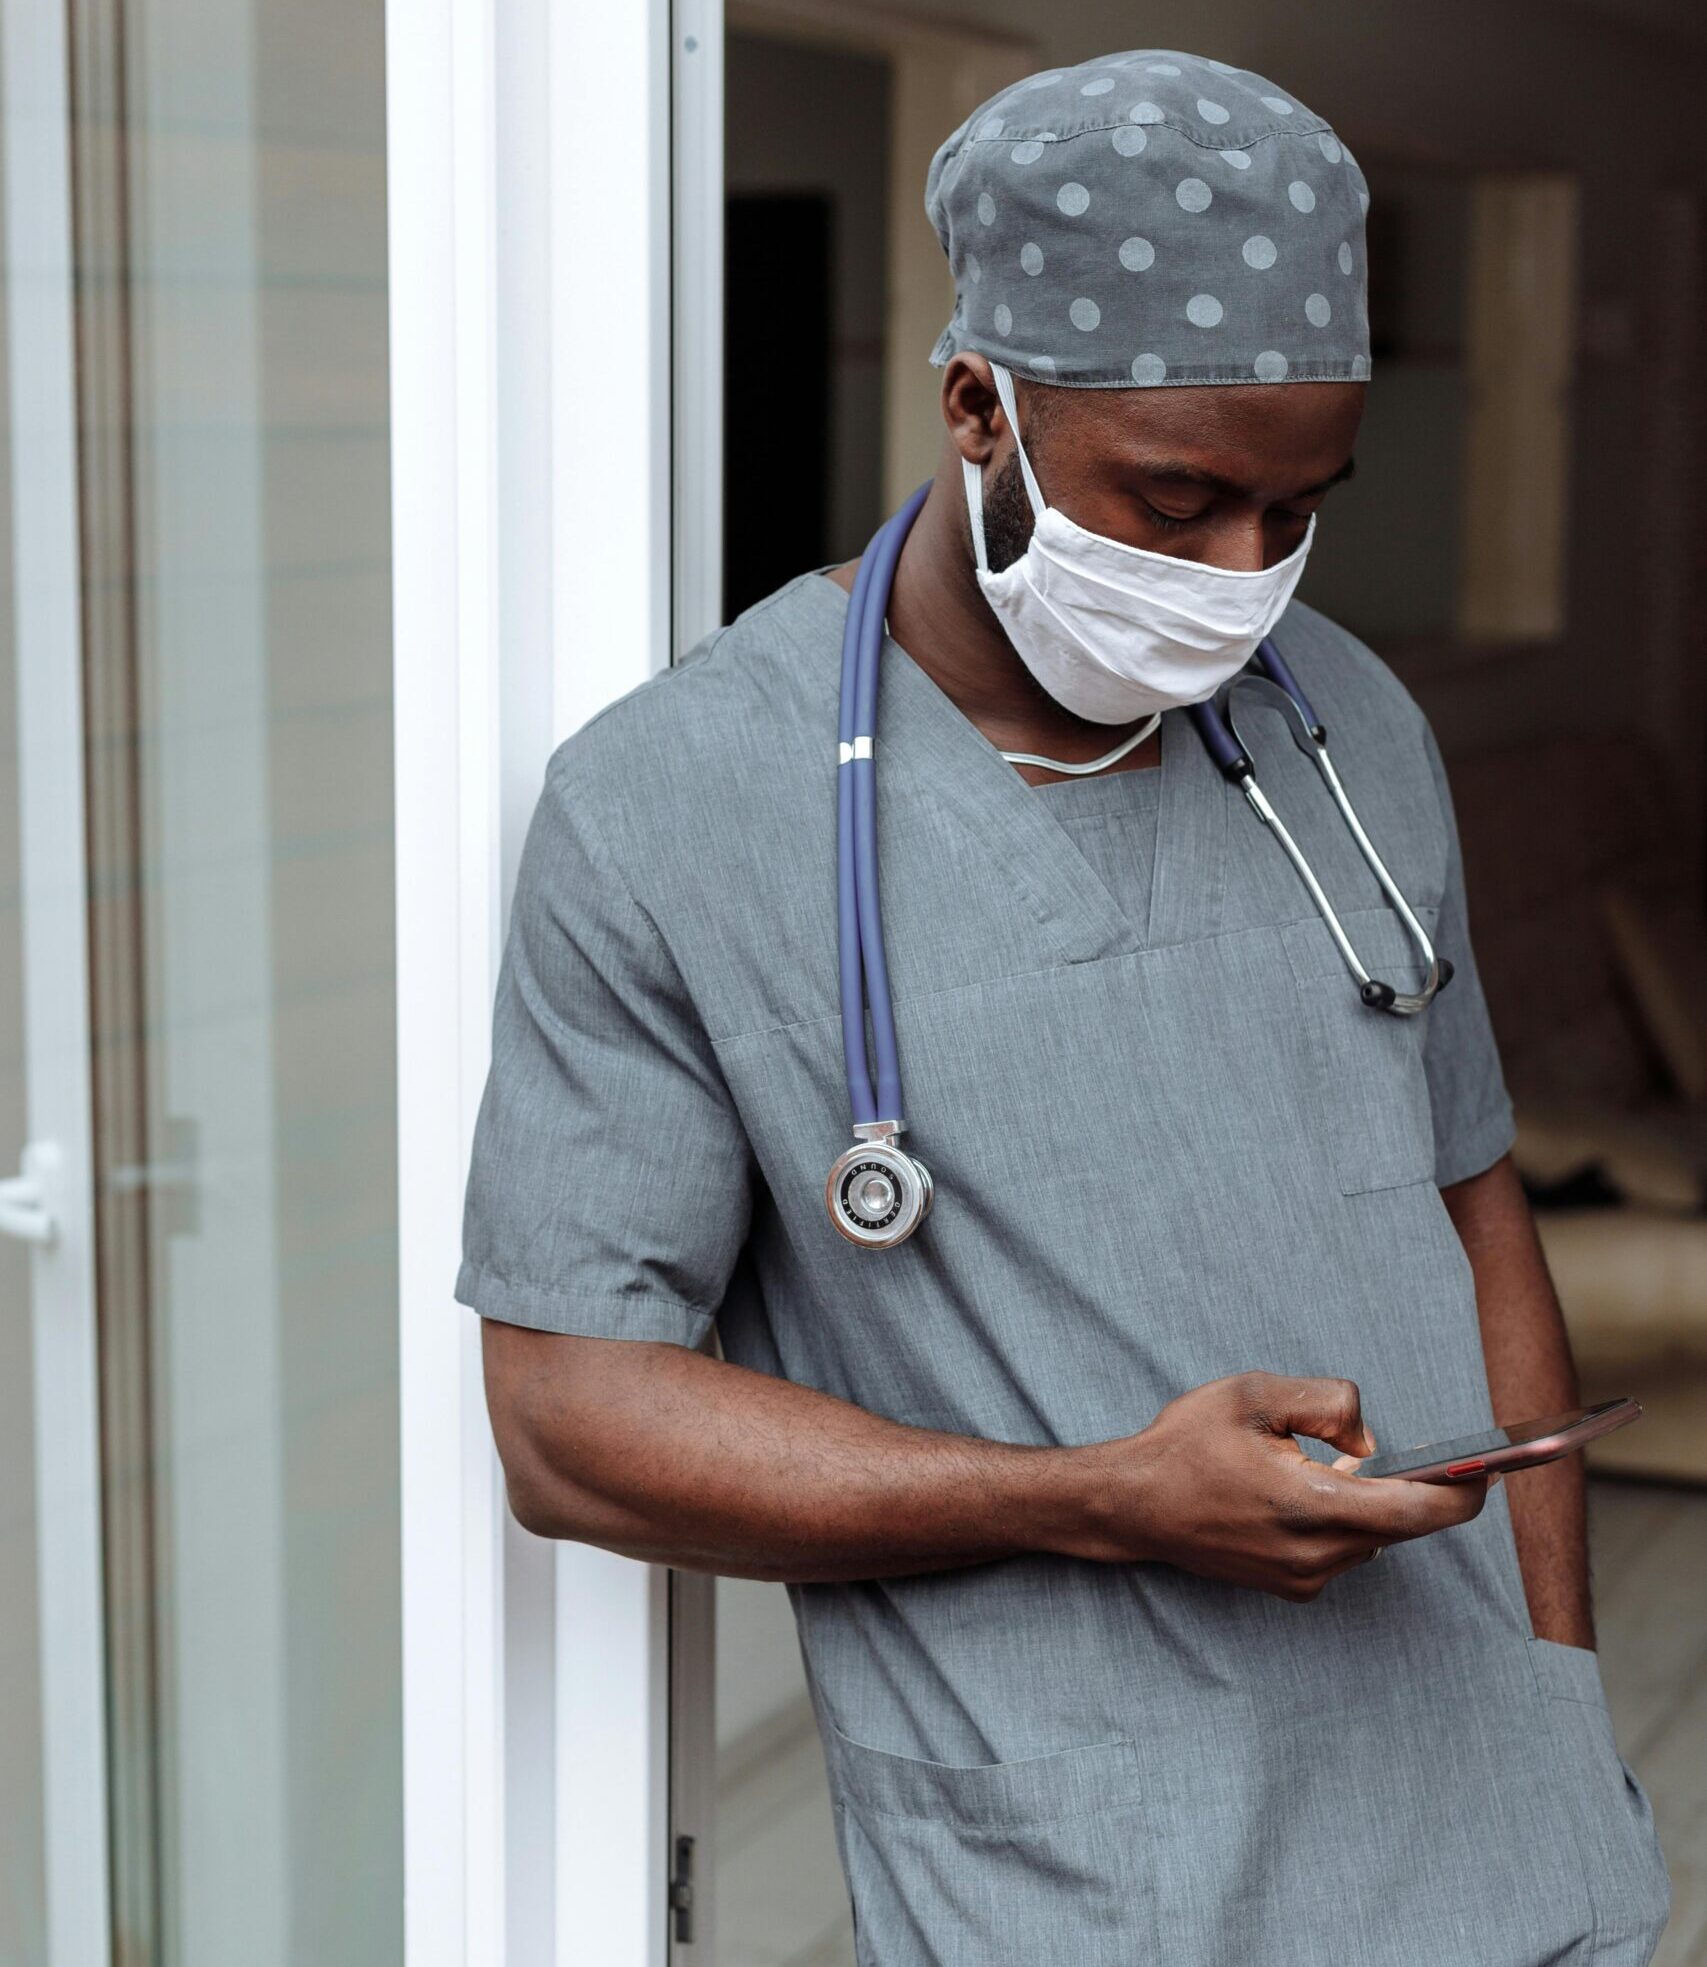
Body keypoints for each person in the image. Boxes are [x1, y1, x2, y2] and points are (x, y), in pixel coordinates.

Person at [457, 46, 1672, 1965]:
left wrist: (1556, 1681)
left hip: (1493, 1826)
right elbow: (570, 1422)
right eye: (1180, 498)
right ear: (979, 408)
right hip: (1088, 1874)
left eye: (1298, 509)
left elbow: (1473, 1203)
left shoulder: (1349, 722)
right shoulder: (676, 804)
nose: (1242, 579)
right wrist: (1101, 1498)